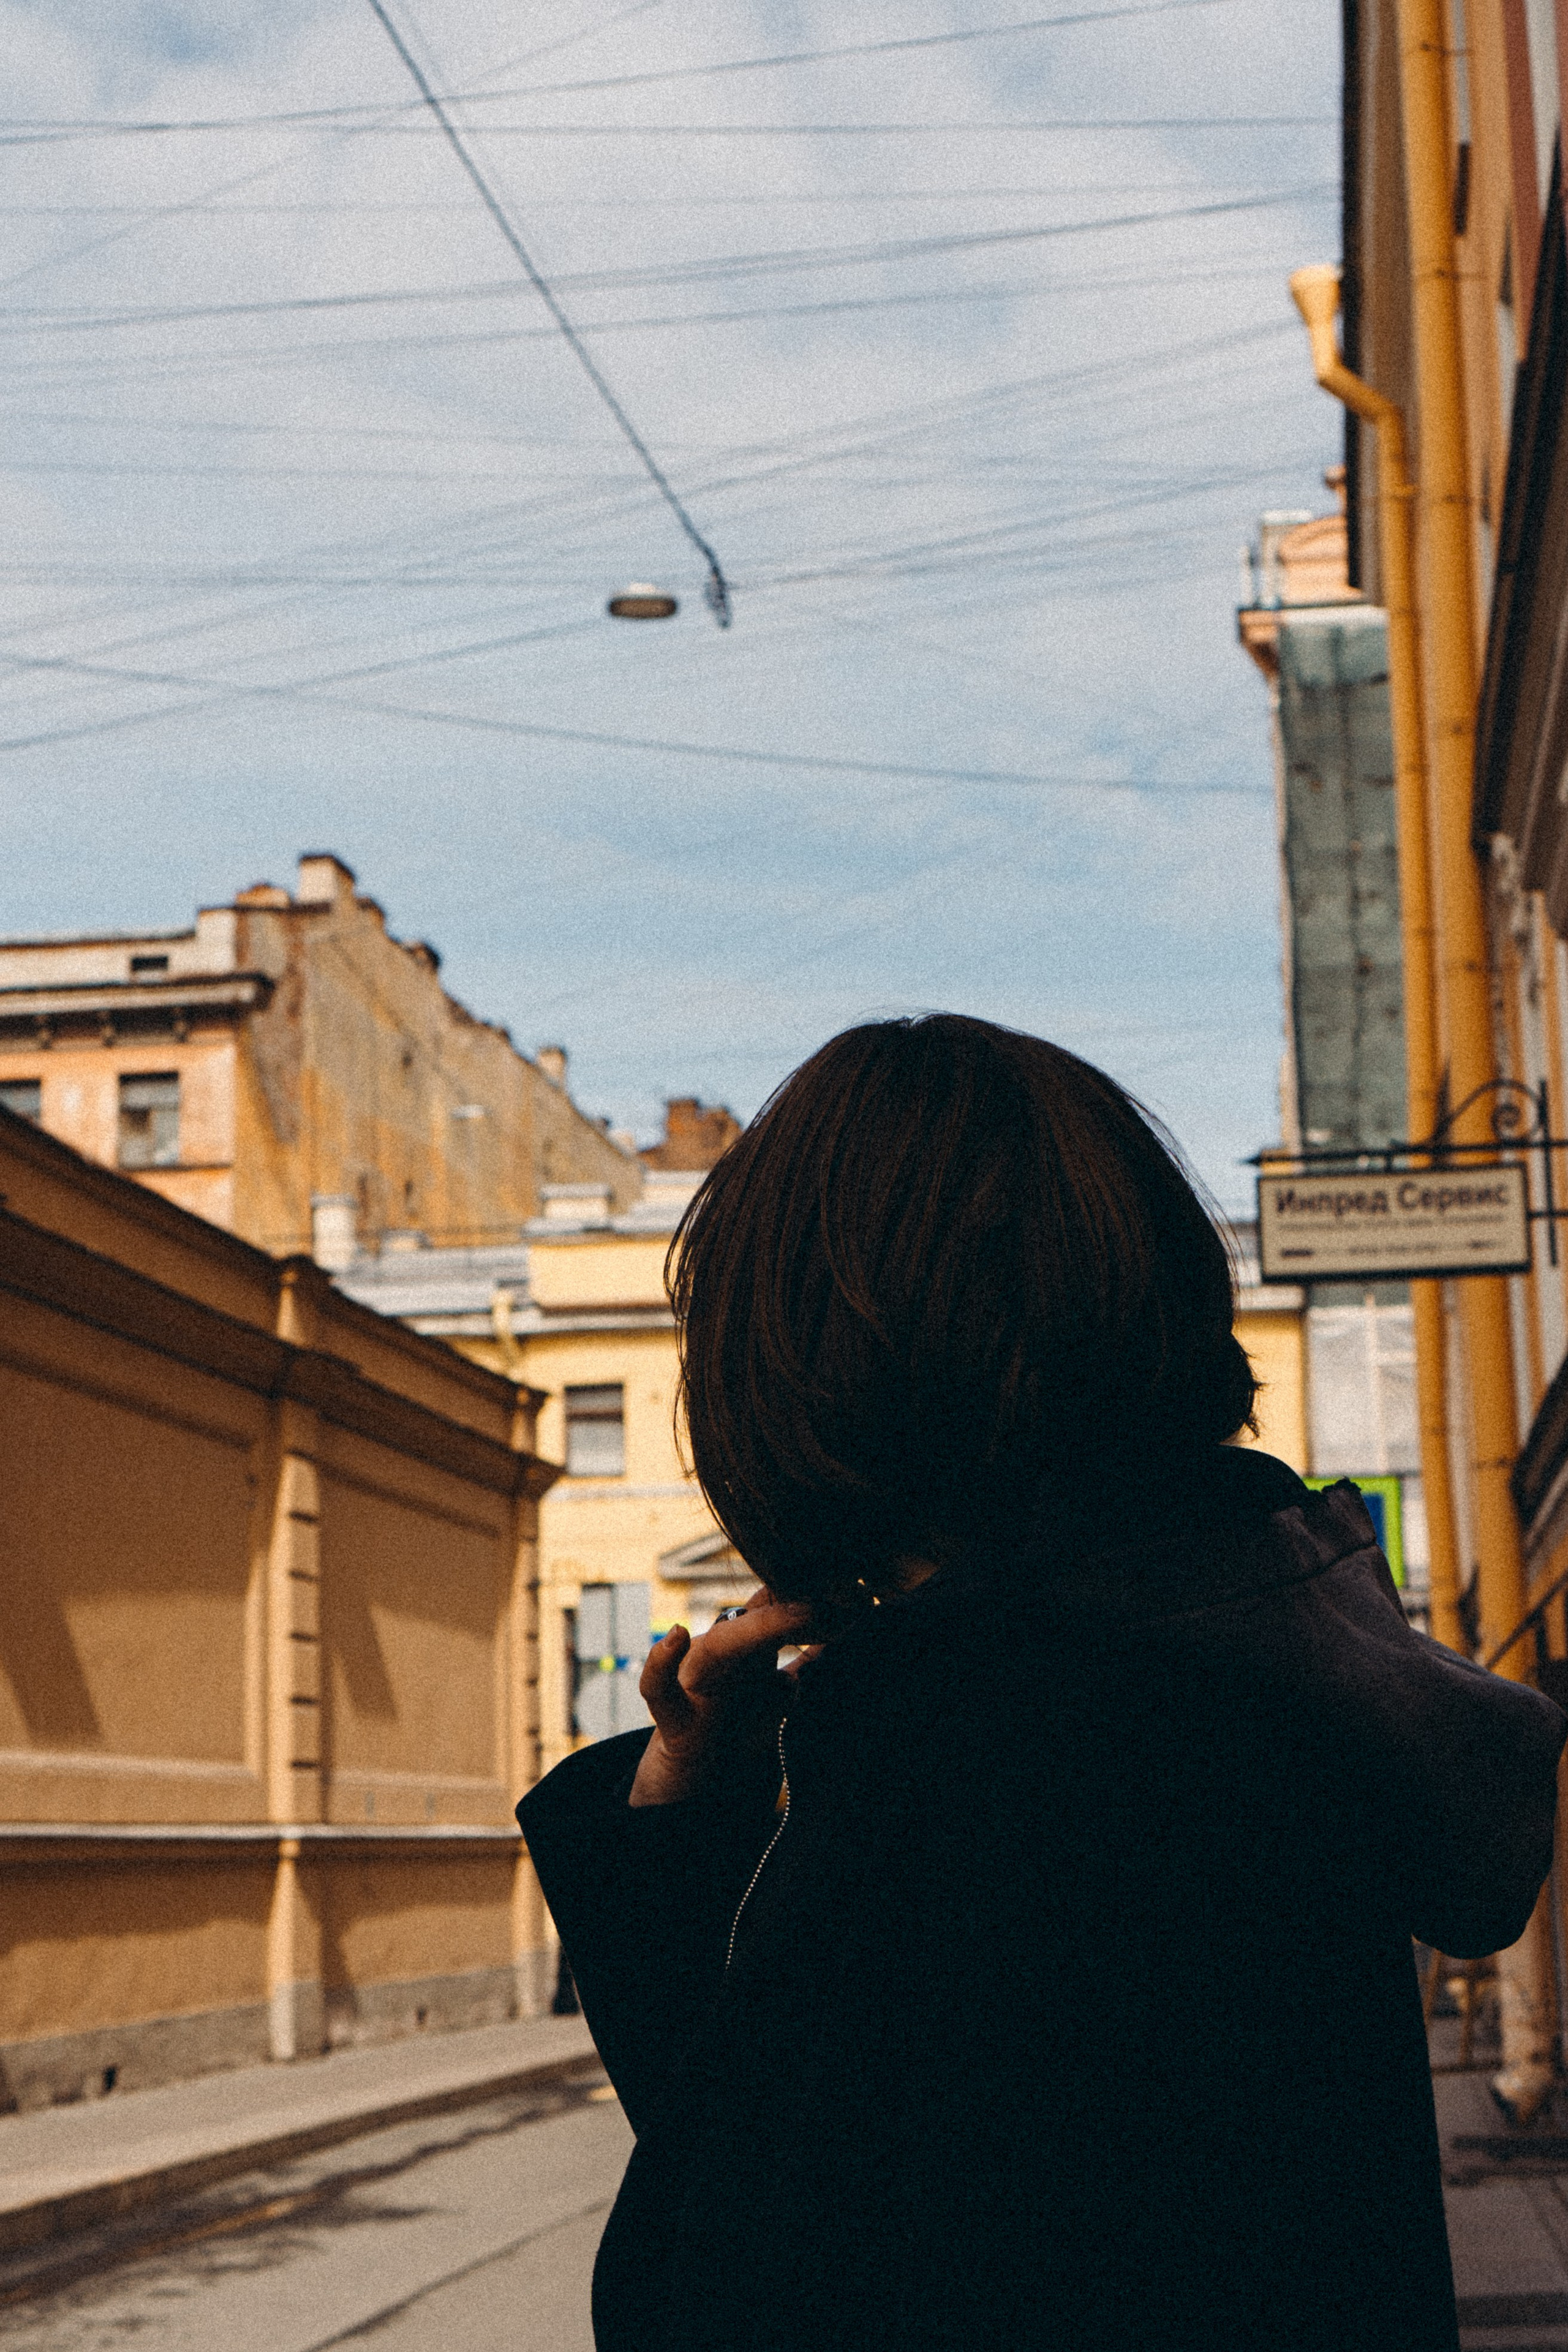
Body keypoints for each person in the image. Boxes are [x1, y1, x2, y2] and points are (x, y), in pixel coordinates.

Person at [517, 1014, 1564, 2352]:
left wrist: (703, 1839)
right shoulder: (1249, 1665)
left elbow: (733, 2271)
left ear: (808, 1364)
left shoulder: (979, 1754)